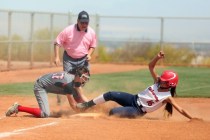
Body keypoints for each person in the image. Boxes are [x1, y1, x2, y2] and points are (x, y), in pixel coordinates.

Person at [76, 51, 201, 120]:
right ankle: (87, 105)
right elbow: (150, 66)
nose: (160, 80)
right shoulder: (157, 82)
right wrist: (156, 58)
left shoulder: (167, 97)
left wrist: (193, 118)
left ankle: (95, 116)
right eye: (161, 79)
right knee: (110, 94)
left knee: (113, 112)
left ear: (170, 84)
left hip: (137, 110)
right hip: (133, 98)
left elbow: (181, 109)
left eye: (164, 80)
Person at [5, 66, 90, 118]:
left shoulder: (75, 80)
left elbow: (82, 96)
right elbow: (73, 106)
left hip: (48, 82)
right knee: (45, 114)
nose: (85, 80)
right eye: (84, 77)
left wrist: (90, 105)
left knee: (77, 95)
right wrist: (79, 111)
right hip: (41, 86)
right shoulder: (68, 84)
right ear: (78, 76)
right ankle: (18, 108)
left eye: (86, 78)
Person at [54, 10, 97, 104]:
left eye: (86, 22)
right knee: (68, 79)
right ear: (77, 21)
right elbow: (57, 43)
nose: (84, 24)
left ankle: (76, 94)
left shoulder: (91, 32)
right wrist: (56, 57)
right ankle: (62, 94)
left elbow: (93, 46)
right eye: (82, 22)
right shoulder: (68, 30)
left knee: (84, 78)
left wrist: (89, 54)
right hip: (69, 59)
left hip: (83, 59)